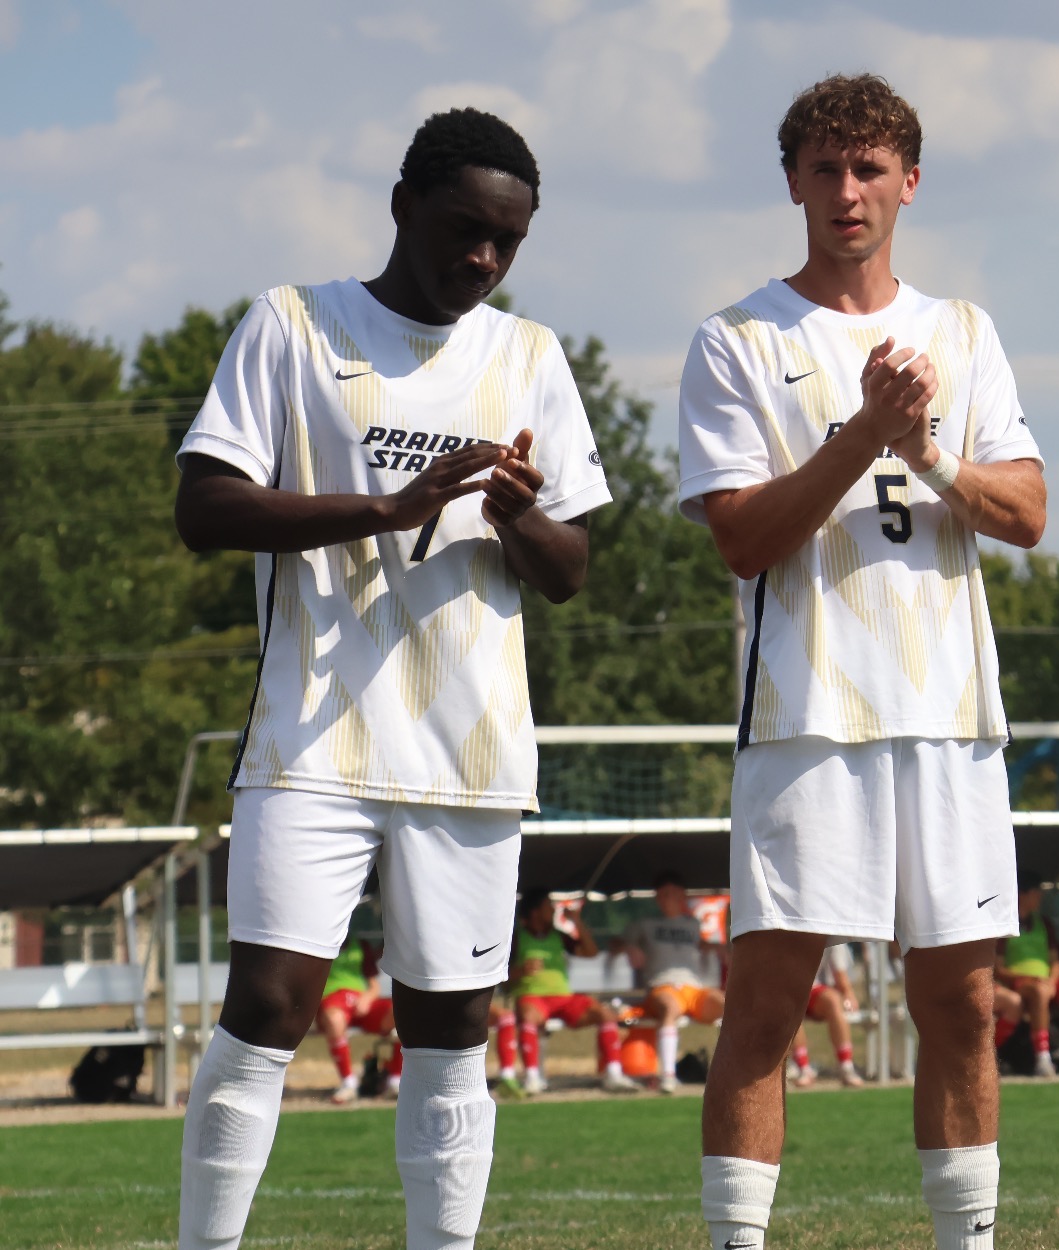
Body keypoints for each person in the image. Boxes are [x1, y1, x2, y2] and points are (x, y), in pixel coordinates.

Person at [172, 107, 610, 1250]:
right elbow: (204, 506)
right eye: (465, 230)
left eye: (505, 244)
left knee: (452, 1026)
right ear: (404, 204)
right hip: (310, 743)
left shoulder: (529, 357)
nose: (483, 259)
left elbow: (567, 571)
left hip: (468, 754)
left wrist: (517, 516)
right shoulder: (294, 325)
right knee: (266, 1008)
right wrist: (391, 507)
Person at [676, 73, 1045, 1250]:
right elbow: (743, 537)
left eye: (870, 166)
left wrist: (926, 454)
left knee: (961, 1004)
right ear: (790, 180)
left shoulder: (966, 330)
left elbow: (1028, 511)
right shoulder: (735, 337)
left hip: (947, 716)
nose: (847, 190)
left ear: (908, 183)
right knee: (767, 1006)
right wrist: (858, 435)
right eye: (825, 167)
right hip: (808, 719)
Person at [511, 890, 638, 1094]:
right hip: (533, 997)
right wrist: (521, 970)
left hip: (563, 998)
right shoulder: (516, 938)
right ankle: (532, 1077)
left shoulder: (558, 936)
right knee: (528, 1017)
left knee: (604, 1014)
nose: (553, 910)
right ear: (535, 912)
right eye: (548, 906)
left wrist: (577, 922)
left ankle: (614, 1074)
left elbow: (590, 953)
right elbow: (503, 976)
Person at [614, 870, 726, 1094]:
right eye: (662, 895)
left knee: (728, 1004)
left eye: (671, 894)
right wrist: (629, 946)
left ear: (682, 896)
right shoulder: (646, 924)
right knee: (670, 1007)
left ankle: (735, 1072)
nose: (666, 899)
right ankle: (668, 1076)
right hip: (662, 986)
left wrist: (718, 949)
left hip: (694, 989)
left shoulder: (693, 925)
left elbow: (702, 946)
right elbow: (615, 943)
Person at [995, 869, 1059, 1077]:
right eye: (1036, 892)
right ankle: (1043, 1058)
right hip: (1018, 983)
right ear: (1021, 894)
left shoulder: (1044, 924)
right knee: (1037, 993)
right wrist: (1028, 979)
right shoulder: (1005, 923)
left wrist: (1051, 981)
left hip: (1046, 983)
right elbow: (998, 968)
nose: (1040, 897)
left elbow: (1056, 961)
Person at [317, 936, 401, 1102]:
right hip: (332, 1001)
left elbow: (374, 985)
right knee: (334, 1019)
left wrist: (367, 998)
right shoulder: (320, 945)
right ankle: (349, 1083)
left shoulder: (360, 946)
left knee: (400, 1011)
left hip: (361, 1001)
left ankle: (394, 1080)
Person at [793, 943, 865, 1088]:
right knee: (791, 1006)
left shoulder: (830, 931)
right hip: (787, 991)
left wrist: (848, 994)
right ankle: (803, 1068)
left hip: (814, 989)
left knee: (833, 1000)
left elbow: (840, 976)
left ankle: (846, 1066)